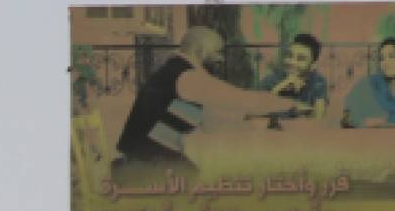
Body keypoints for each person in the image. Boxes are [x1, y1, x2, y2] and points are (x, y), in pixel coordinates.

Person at [114, 27, 292, 179]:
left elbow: (209, 122)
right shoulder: (188, 77)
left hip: (147, 160)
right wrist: (292, 104)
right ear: (200, 51)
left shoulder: (174, 71)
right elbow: (242, 99)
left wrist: (261, 122)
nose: (221, 59)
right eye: (217, 52)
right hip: (146, 169)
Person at [258, 33, 328, 122]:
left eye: (301, 59)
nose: (292, 62)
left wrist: (304, 111)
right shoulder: (269, 81)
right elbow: (256, 113)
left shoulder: (318, 81)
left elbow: (319, 118)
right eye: (290, 56)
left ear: (313, 65)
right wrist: (281, 86)